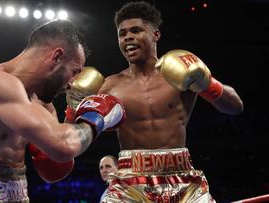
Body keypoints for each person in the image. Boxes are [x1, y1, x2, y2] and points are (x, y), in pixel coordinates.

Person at [0, 19, 125, 203]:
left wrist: (71, 115)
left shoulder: (42, 104)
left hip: (19, 193)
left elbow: (54, 169)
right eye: (74, 71)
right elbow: (64, 146)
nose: (71, 84)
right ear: (56, 57)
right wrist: (97, 117)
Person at [94, 1, 243, 202]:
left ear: (155, 34)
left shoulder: (180, 72)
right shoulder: (110, 86)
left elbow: (235, 106)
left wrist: (206, 83)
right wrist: (74, 108)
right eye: (122, 33)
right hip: (130, 180)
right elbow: (82, 133)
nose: (128, 37)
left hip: (183, 177)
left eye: (136, 30)